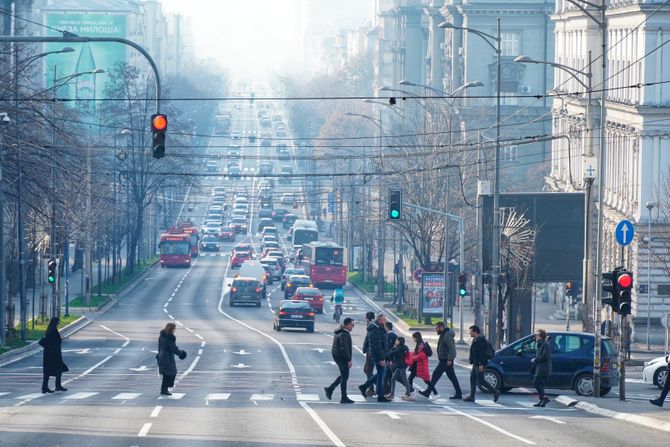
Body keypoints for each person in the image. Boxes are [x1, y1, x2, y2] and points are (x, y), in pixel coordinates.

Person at [420, 322, 462, 400]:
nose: (436, 330)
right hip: (444, 360)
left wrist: (449, 359)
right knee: (452, 377)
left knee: (436, 374)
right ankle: (459, 393)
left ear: (441, 327)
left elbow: (451, 348)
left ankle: (428, 392)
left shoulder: (447, 335)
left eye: (436, 328)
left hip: (445, 360)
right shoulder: (443, 335)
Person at [358, 313, 390, 402]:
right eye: (384, 320)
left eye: (385, 319)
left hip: (378, 354)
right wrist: (382, 358)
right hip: (378, 355)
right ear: (380, 320)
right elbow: (377, 346)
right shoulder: (376, 329)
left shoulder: (379, 328)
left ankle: (365, 387)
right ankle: (379, 395)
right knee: (381, 374)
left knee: (380, 374)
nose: (385, 321)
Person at [464, 325, 499, 403]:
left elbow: (482, 354)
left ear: (475, 332)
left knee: (481, 381)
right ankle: (472, 396)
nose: (470, 333)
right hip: (476, 363)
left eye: (471, 331)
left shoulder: (481, 340)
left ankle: (495, 392)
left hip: (480, 364)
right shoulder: (475, 339)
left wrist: (481, 364)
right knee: (472, 378)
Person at [325, 317, 355, 404]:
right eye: (352, 325)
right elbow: (344, 348)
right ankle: (343, 397)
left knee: (343, 375)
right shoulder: (344, 334)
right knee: (345, 377)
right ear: (347, 324)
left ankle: (330, 389)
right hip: (342, 357)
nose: (353, 327)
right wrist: (349, 359)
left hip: (338, 356)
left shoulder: (340, 331)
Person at [157, 322, 187, 396]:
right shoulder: (169, 338)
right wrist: (182, 354)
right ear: (171, 329)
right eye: (174, 329)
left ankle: (164, 389)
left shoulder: (162, 336)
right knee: (171, 373)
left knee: (166, 373)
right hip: (167, 358)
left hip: (161, 357)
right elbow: (173, 348)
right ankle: (164, 389)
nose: (174, 330)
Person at [40, 317, 68, 393]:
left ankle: (45, 387)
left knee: (47, 371)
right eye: (58, 323)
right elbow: (54, 342)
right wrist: (60, 339)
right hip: (54, 354)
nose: (58, 324)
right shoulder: (53, 331)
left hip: (47, 354)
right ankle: (57, 386)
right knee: (59, 369)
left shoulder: (49, 330)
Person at [530, 329, 552, 407]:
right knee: (540, 384)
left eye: (537, 335)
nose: (536, 336)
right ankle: (542, 400)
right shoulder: (540, 344)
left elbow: (544, 356)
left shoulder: (545, 344)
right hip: (540, 367)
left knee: (536, 382)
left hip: (543, 368)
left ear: (541, 336)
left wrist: (535, 359)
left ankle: (545, 398)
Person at [361, 311, 376, 396]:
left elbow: (369, 339)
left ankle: (373, 388)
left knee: (368, 370)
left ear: (367, 318)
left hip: (371, 351)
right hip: (370, 351)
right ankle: (372, 387)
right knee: (367, 370)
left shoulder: (371, 326)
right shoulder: (373, 325)